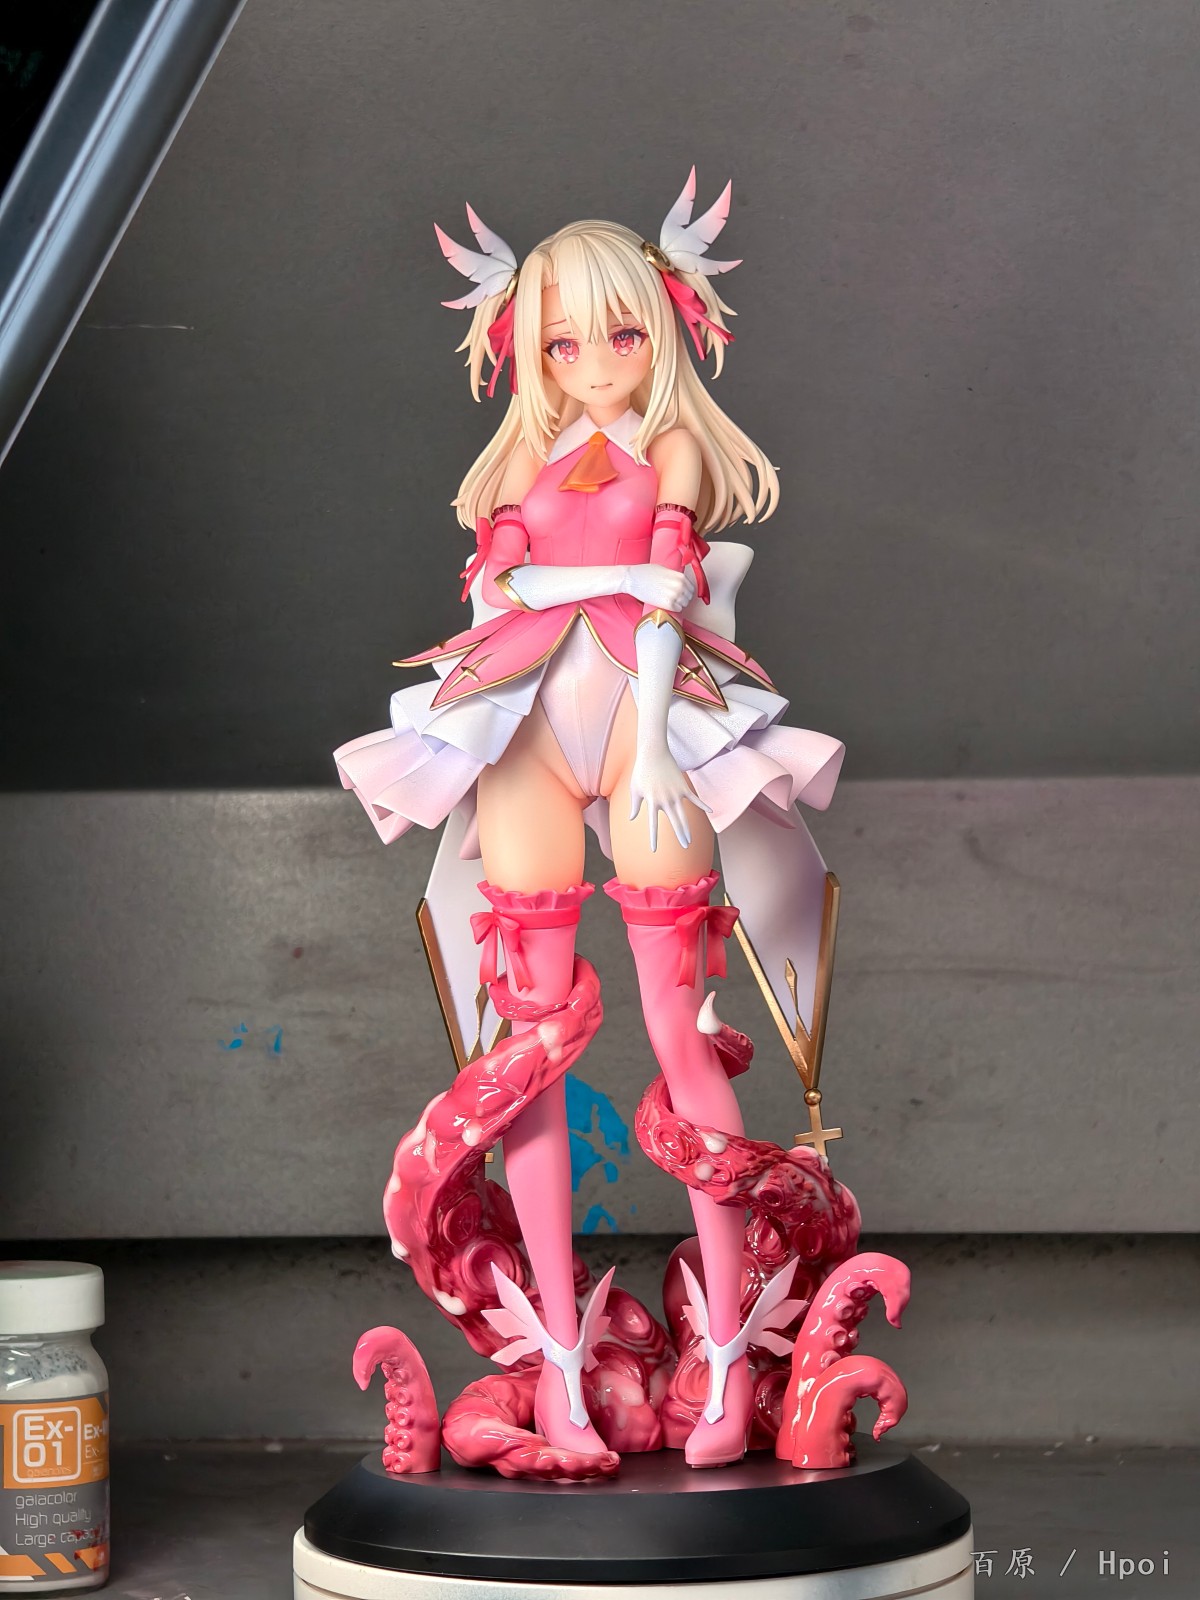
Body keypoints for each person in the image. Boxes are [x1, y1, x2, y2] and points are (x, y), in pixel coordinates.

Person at [334, 172, 844, 1468]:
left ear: (663, 326)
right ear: (529, 348)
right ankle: (557, 1360)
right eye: (563, 342)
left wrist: (655, 728)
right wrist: (589, 582)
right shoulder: (529, 455)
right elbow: (506, 586)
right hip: (527, 734)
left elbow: (663, 599)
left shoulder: (670, 452)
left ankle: (724, 1348)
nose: (596, 363)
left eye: (620, 334)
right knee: (532, 1046)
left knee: (683, 1026)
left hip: (644, 725)